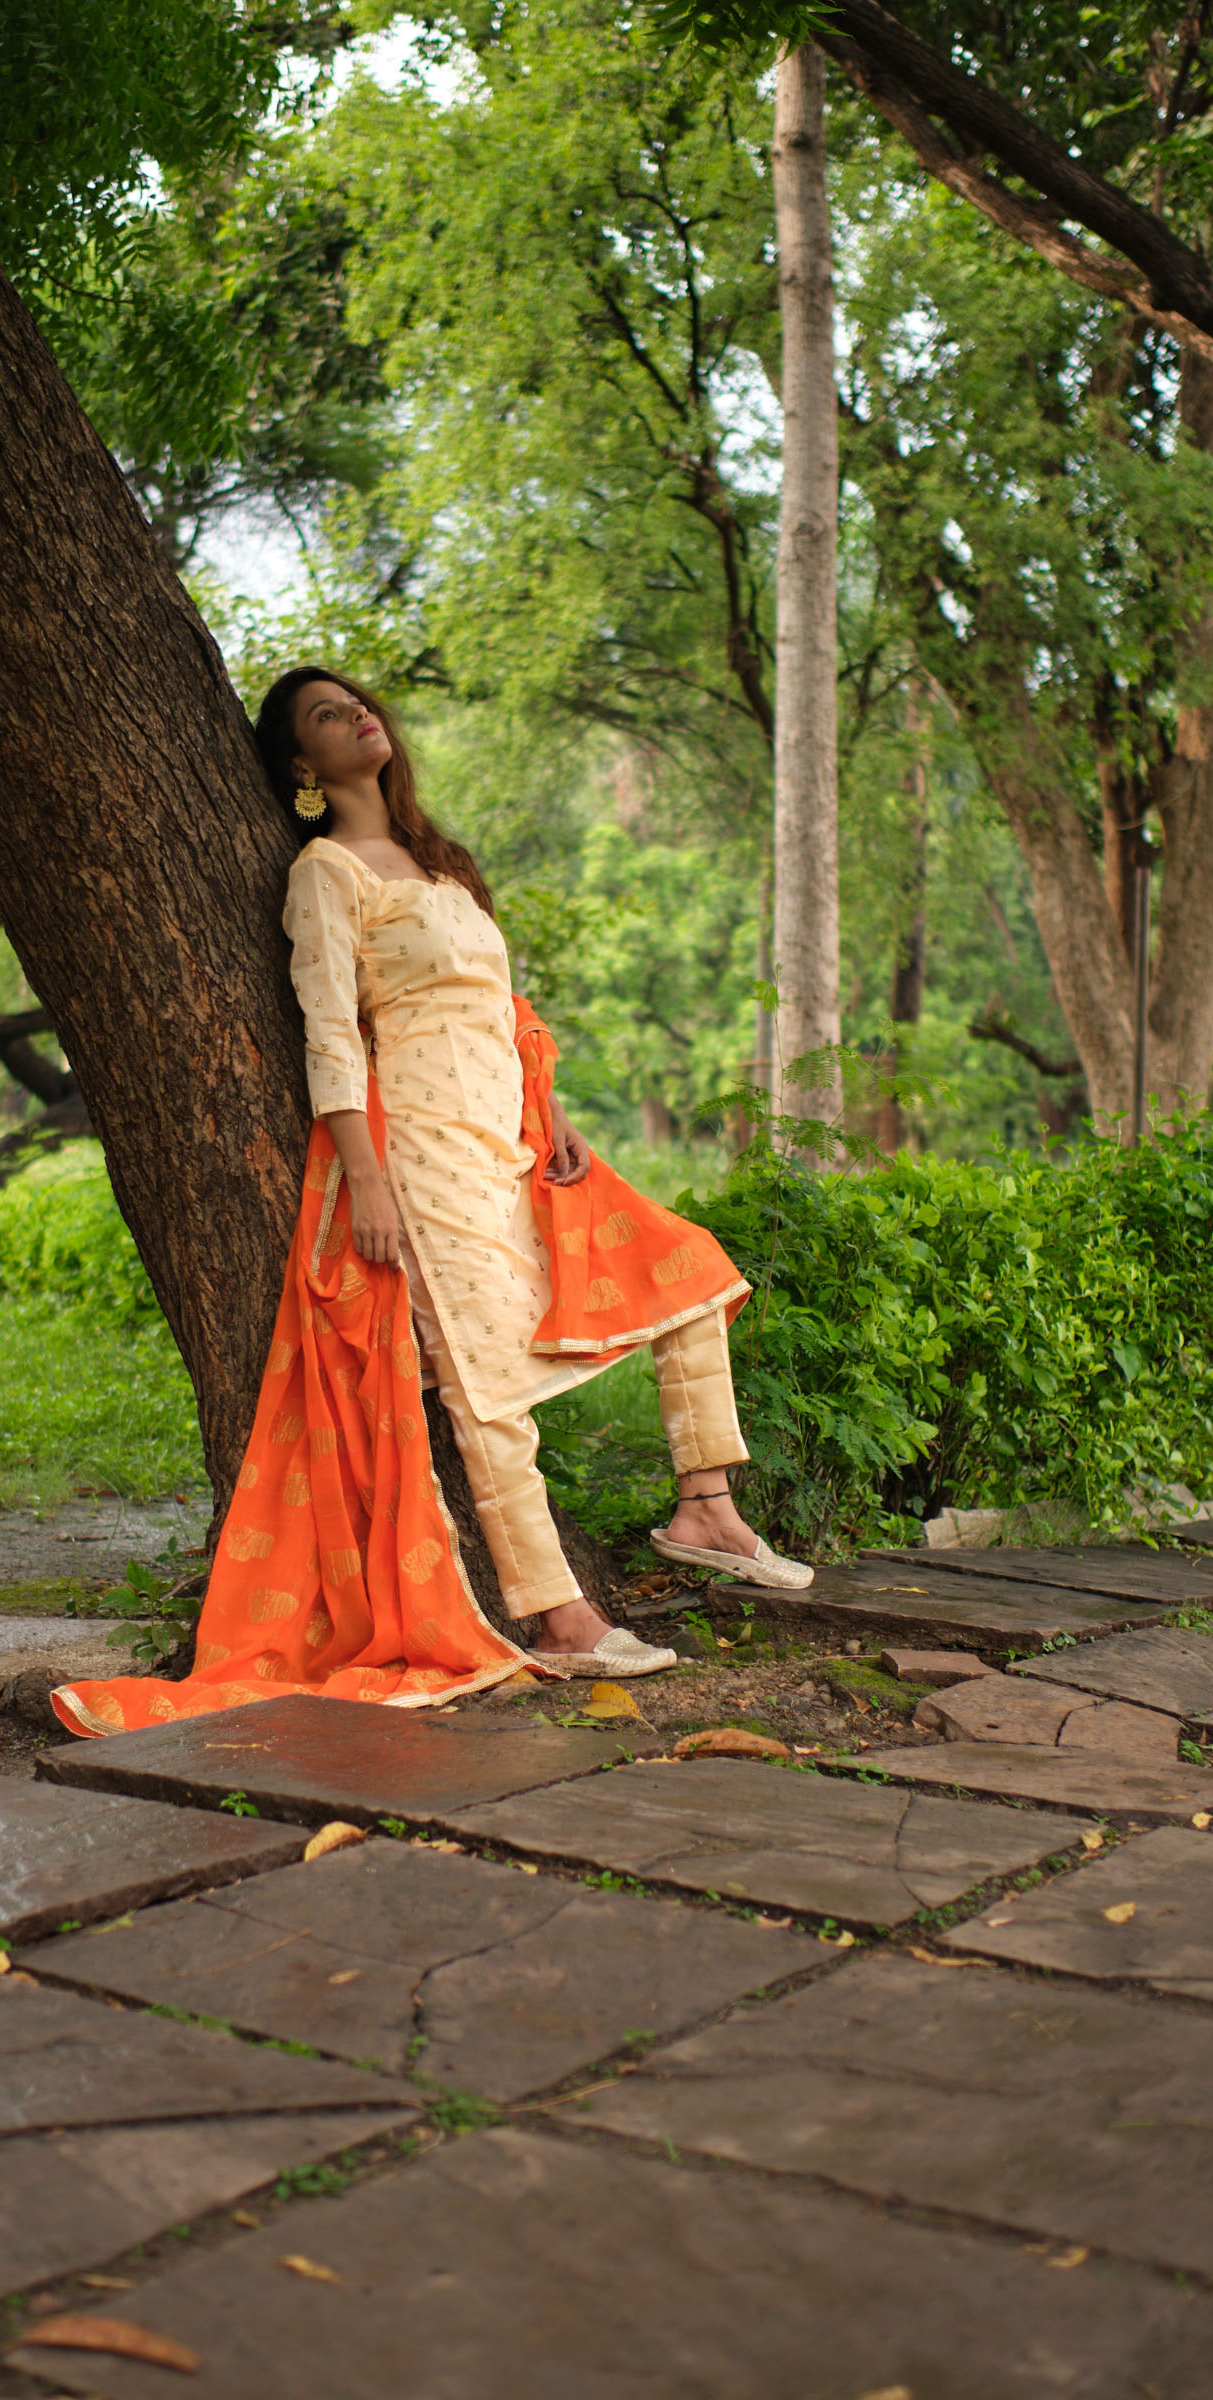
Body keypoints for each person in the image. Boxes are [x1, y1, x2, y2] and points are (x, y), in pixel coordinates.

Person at [49, 669, 811, 1739]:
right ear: (303, 770)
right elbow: (326, 1025)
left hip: (511, 1137)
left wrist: (555, 1112)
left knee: (688, 1271)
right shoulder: (323, 872)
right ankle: (564, 1617)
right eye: (325, 715)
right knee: (486, 1386)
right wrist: (365, 1176)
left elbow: (503, 1009)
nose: (357, 712)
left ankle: (708, 1507)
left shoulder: (444, 865)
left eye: (355, 699)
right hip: (421, 1143)